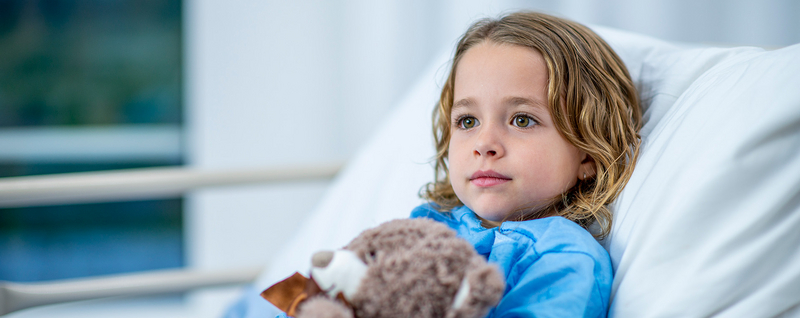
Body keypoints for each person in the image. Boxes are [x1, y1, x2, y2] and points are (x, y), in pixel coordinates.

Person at [411, 11, 641, 317]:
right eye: (468, 121)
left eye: (522, 120)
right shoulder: (430, 223)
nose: (484, 145)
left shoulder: (562, 257)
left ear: (588, 153)